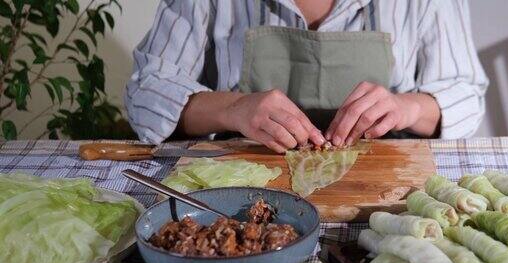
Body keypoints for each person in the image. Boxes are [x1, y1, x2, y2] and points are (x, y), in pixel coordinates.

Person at [126, 0, 488, 152]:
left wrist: (406, 107)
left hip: (384, 192)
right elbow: (146, 91)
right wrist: (233, 108)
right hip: (236, 194)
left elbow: (466, 93)